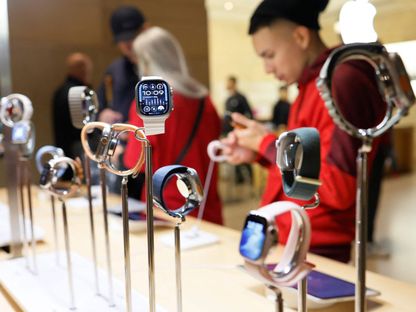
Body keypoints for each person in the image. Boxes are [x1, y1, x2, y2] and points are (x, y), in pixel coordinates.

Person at [222, 0, 387, 262]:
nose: (267, 68)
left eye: (269, 55)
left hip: (317, 247)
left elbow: (338, 187)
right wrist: (257, 153)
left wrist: (267, 144)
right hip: (293, 236)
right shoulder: (310, 84)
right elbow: (308, 165)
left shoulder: (340, 79)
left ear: (300, 36)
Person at [123, 27, 223, 225]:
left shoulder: (149, 103)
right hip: (206, 206)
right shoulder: (204, 99)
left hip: (165, 207)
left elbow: (135, 162)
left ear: (147, 61)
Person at [97, 5, 149, 124]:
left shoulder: (162, 68)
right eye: (122, 39)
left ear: (145, 30)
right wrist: (102, 115)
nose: (127, 44)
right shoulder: (114, 70)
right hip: (123, 140)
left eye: (132, 37)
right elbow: (100, 106)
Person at [52, 52, 93, 158]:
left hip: (64, 148)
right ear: (82, 69)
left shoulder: (60, 91)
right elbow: (86, 127)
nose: (88, 73)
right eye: (88, 69)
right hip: (78, 150)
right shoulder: (79, 93)